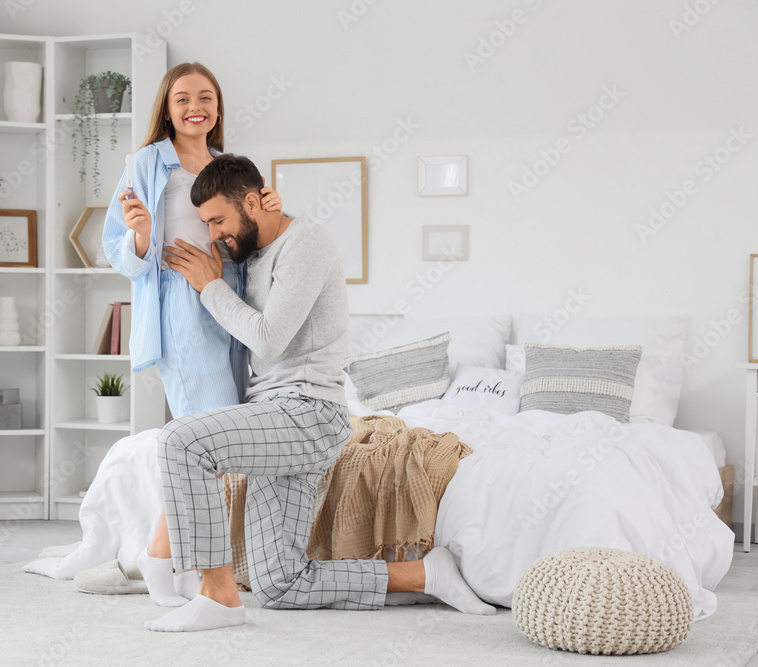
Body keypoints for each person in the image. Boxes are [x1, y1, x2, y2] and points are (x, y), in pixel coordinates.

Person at [146, 154, 496, 632]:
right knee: (280, 584)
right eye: (207, 224)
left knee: (178, 440)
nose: (214, 235)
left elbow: (268, 337)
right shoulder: (252, 251)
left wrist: (209, 286)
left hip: (307, 414)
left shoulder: (305, 244)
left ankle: (218, 595)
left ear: (253, 202)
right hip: (275, 418)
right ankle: (420, 574)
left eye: (218, 221)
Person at [102, 63, 282, 607]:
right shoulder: (145, 162)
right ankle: (163, 558)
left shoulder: (231, 168)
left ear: (218, 108)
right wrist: (142, 235)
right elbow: (117, 245)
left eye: (205, 97)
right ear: (167, 107)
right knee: (209, 435)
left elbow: (252, 240)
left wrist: (269, 215)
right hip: (181, 303)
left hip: (231, 300)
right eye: (182, 99)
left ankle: (171, 559)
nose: (194, 107)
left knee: (219, 440)